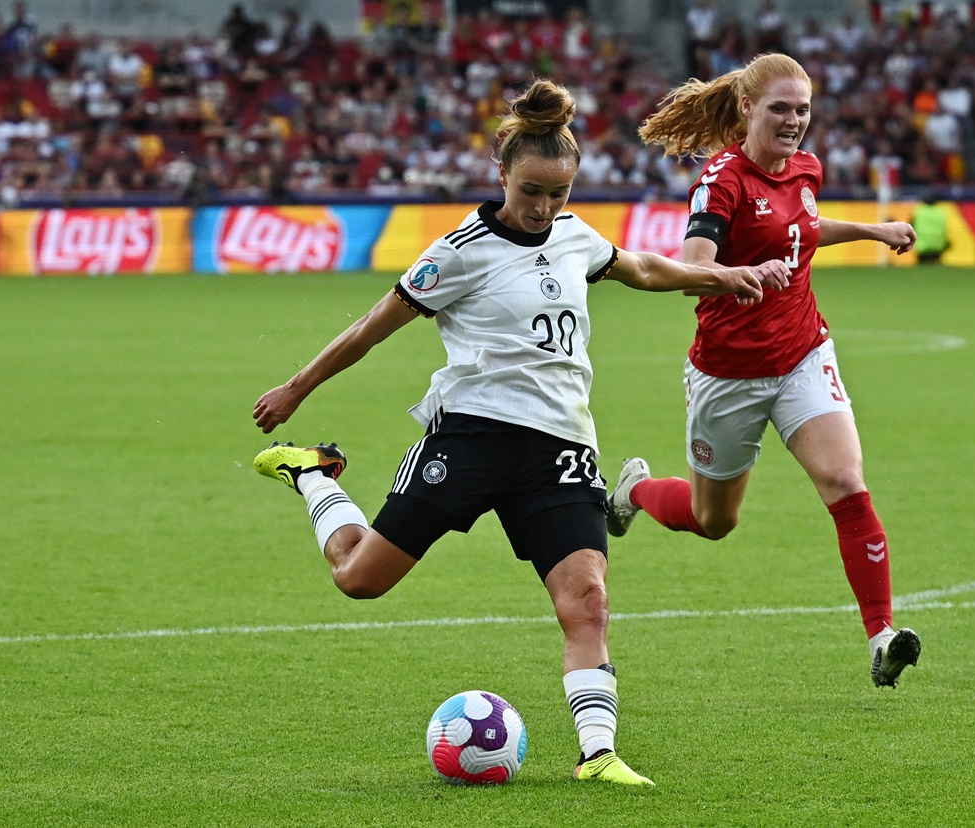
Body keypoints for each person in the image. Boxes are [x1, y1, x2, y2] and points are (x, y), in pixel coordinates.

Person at [252, 79, 787, 786]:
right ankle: (314, 474)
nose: (543, 208)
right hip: (470, 440)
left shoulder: (573, 237)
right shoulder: (458, 252)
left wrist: (727, 277)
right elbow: (368, 331)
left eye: (558, 194)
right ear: (503, 174)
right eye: (531, 191)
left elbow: (646, 269)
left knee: (587, 599)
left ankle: (598, 755)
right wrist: (297, 387)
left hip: (561, 449)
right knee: (360, 580)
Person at [612, 52, 923, 689]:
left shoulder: (805, 167)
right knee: (713, 521)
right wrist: (738, 277)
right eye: (780, 108)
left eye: (802, 110)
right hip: (728, 374)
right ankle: (633, 491)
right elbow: (689, 264)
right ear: (748, 108)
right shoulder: (721, 180)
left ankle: (882, 634)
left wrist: (872, 229)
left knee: (845, 479)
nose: (793, 121)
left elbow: (802, 226)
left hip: (804, 354)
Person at [910, 191, 950, 264]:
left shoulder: (919, 211)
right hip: (938, 245)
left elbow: (911, 227)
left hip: (922, 246)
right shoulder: (941, 212)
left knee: (922, 266)